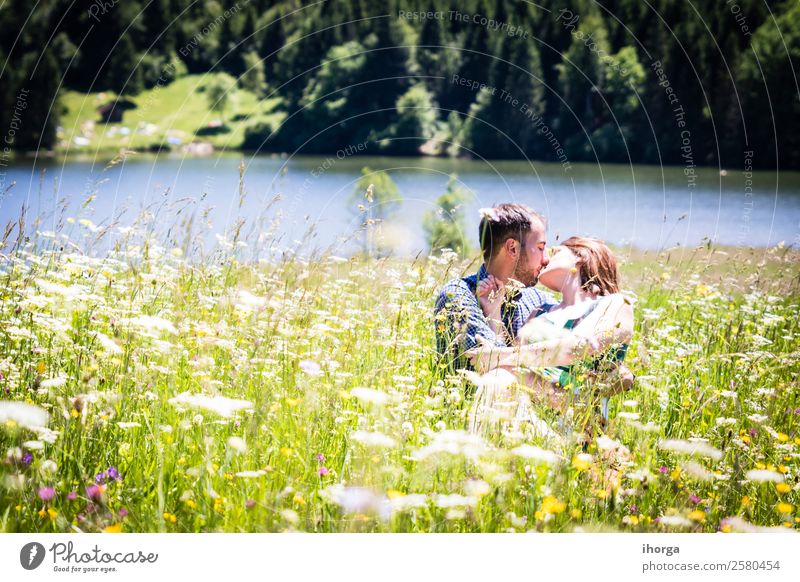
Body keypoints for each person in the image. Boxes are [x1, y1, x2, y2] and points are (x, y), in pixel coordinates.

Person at [433, 203, 633, 391]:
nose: (546, 259)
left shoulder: (538, 300)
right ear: (512, 248)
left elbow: (502, 359)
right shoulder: (459, 295)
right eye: (540, 248)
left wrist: (619, 373)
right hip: (476, 409)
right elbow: (490, 365)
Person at [467, 236, 634, 443]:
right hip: (524, 407)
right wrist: (493, 309)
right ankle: (482, 464)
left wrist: (500, 357)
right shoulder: (540, 311)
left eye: (554, 252)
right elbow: (510, 361)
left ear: (580, 258)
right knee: (499, 378)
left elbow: (582, 346)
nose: (545, 260)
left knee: (501, 375)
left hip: (572, 425)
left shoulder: (614, 303)